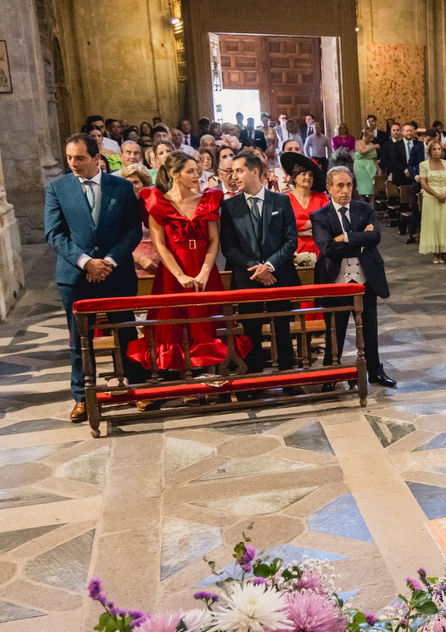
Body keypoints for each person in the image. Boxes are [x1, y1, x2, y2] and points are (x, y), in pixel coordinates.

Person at [44, 135, 143, 423]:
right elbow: (54, 233)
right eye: (70, 158)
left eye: (80, 158)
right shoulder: (57, 188)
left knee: (125, 332)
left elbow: (132, 231)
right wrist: (87, 262)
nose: (73, 164)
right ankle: (82, 398)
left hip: (117, 273)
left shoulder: (121, 187)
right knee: (79, 338)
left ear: (96, 157)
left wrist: (109, 261)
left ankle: (135, 389)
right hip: (75, 275)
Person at [126, 152, 243, 383]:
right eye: (190, 171)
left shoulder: (208, 198)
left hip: (204, 267)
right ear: (173, 174)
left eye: (197, 170)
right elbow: (159, 244)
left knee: (209, 320)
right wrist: (179, 275)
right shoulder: (156, 200)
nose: (197, 175)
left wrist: (205, 271)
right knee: (178, 323)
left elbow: (213, 241)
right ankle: (185, 377)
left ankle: (212, 374)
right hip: (173, 272)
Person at [311, 167, 397, 388]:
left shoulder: (363, 209)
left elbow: (375, 236)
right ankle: (331, 375)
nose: (345, 190)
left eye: (349, 185)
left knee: (370, 328)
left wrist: (346, 237)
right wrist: (360, 243)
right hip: (336, 282)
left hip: (365, 280)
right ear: (329, 188)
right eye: (340, 185)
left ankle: (375, 372)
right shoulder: (320, 217)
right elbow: (327, 247)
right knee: (335, 330)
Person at [220, 153, 301, 376]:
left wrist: (270, 266)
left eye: (238, 170)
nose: (234, 176)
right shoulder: (229, 206)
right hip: (248, 279)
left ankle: (287, 377)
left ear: (255, 172)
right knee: (251, 331)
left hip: (279, 275)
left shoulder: (281, 201)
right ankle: (253, 379)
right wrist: (258, 268)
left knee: (282, 328)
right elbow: (229, 247)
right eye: (232, 172)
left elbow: (291, 239)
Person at [281, 152, 330, 259]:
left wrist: (297, 231)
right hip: (293, 251)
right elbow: (282, 225)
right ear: (294, 178)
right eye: (303, 174)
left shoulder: (322, 197)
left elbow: (328, 222)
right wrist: (311, 224)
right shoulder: (284, 199)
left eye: (311, 175)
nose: (308, 177)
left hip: (320, 250)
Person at [418, 140, 446, 263]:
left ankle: (442, 253)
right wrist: (437, 195)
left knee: (443, 225)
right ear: (430, 151)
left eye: (439, 149)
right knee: (433, 224)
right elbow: (423, 183)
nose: (437, 151)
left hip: (445, 197)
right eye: (434, 149)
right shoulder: (423, 164)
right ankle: (434, 254)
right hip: (430, 197)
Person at [353, 128, 379, 205]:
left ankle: (372, 209)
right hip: (360, 168)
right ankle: (363, 209)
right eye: (370, 137)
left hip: (370, 167)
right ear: (365, 135)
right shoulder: (358, 142)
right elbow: (363, 151)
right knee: (362, 190)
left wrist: (378, 168)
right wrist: (373, 146)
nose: (372, 139)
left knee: (371, 190)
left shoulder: (371, 144)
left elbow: (374, 158)